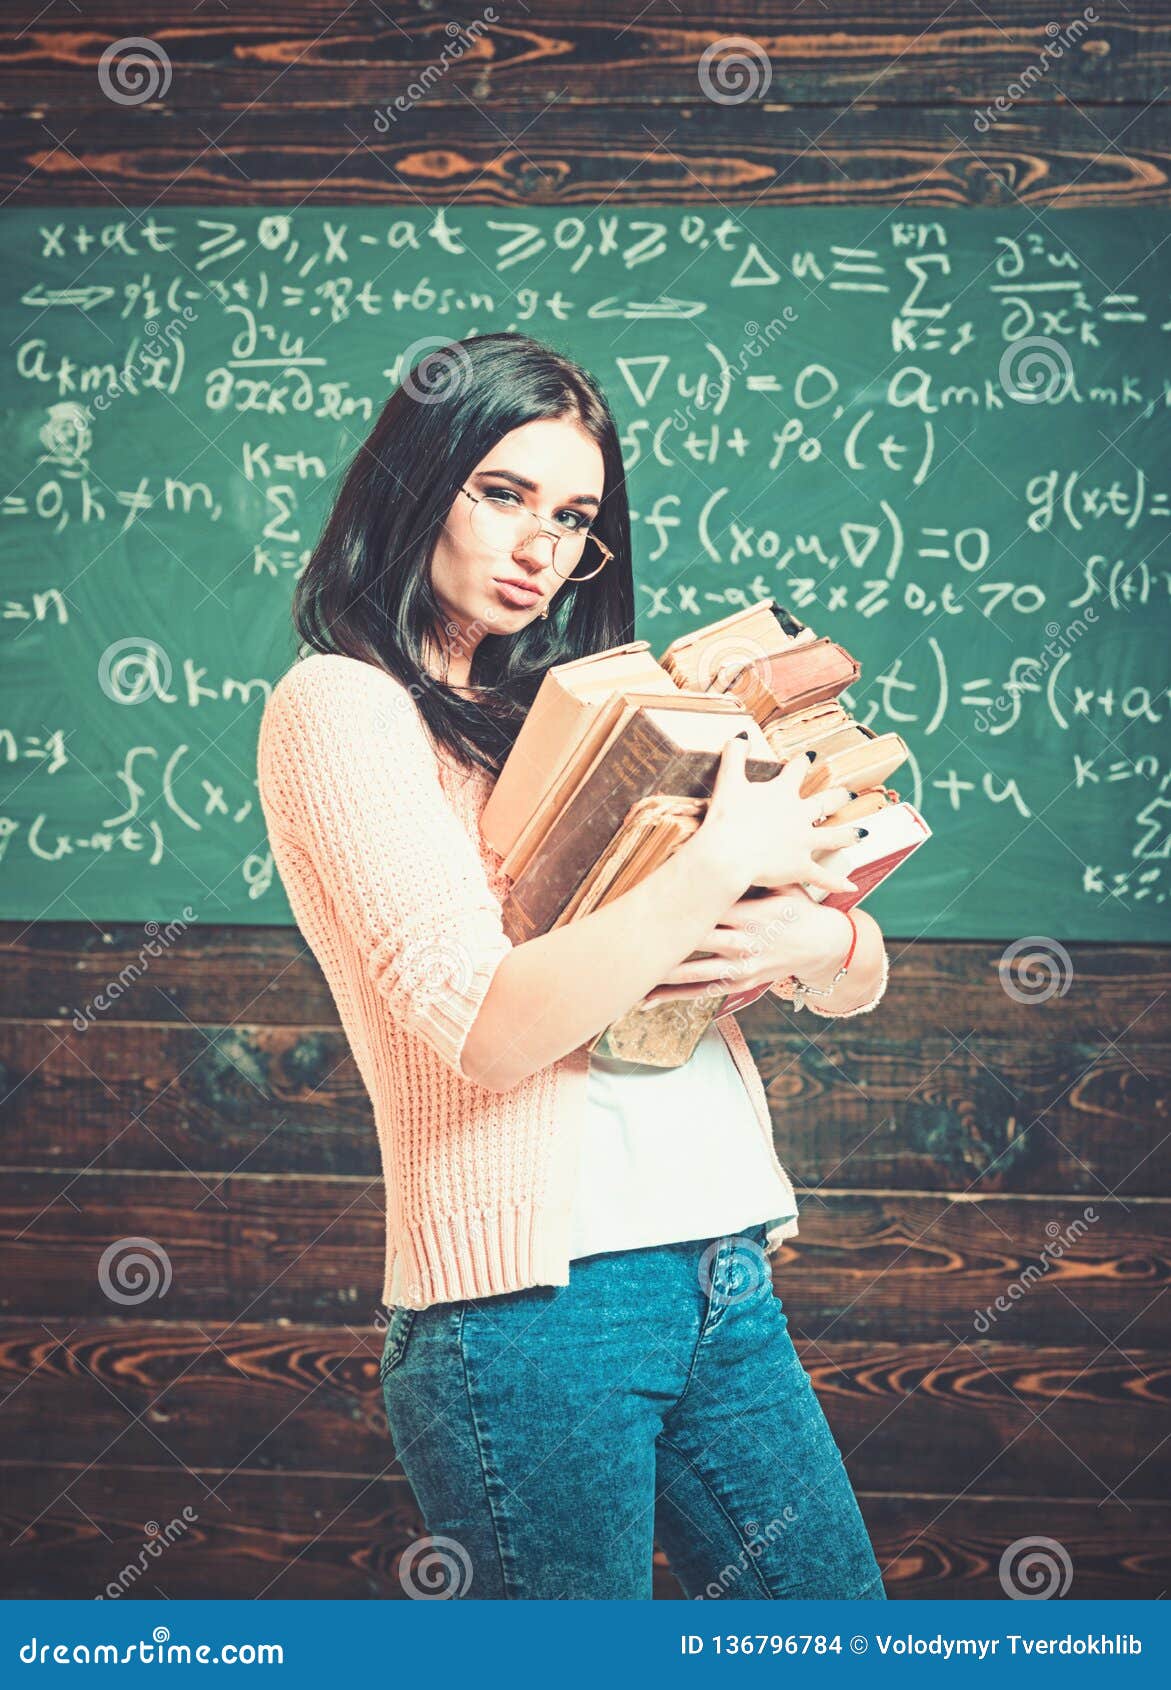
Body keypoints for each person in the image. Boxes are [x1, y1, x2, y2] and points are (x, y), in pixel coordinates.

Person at [256, 332, 890, 1601]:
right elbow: (486, 1029)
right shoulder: (341, 706)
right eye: (501, 493)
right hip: (533, 1310)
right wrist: (715, 865)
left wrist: (826, 938)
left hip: (720, 1268)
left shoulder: (580, 717)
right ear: (414, 483)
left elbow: (848, 965)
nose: (539, 546)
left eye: (574, 516)